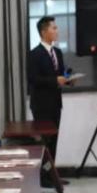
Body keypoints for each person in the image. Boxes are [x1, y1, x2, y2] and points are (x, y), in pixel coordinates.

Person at [27, 16, 74, 168]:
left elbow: (61, 74)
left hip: (56, 104)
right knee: (45, 142)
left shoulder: (58, 52)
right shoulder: (34, 54)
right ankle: (42, 174)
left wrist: (69, 80)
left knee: (54, 140)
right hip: (41, 106)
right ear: (43, 32)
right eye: (54, 28)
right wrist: (55, 80)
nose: (57, 31)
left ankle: (50, 173)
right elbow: (33, 79)